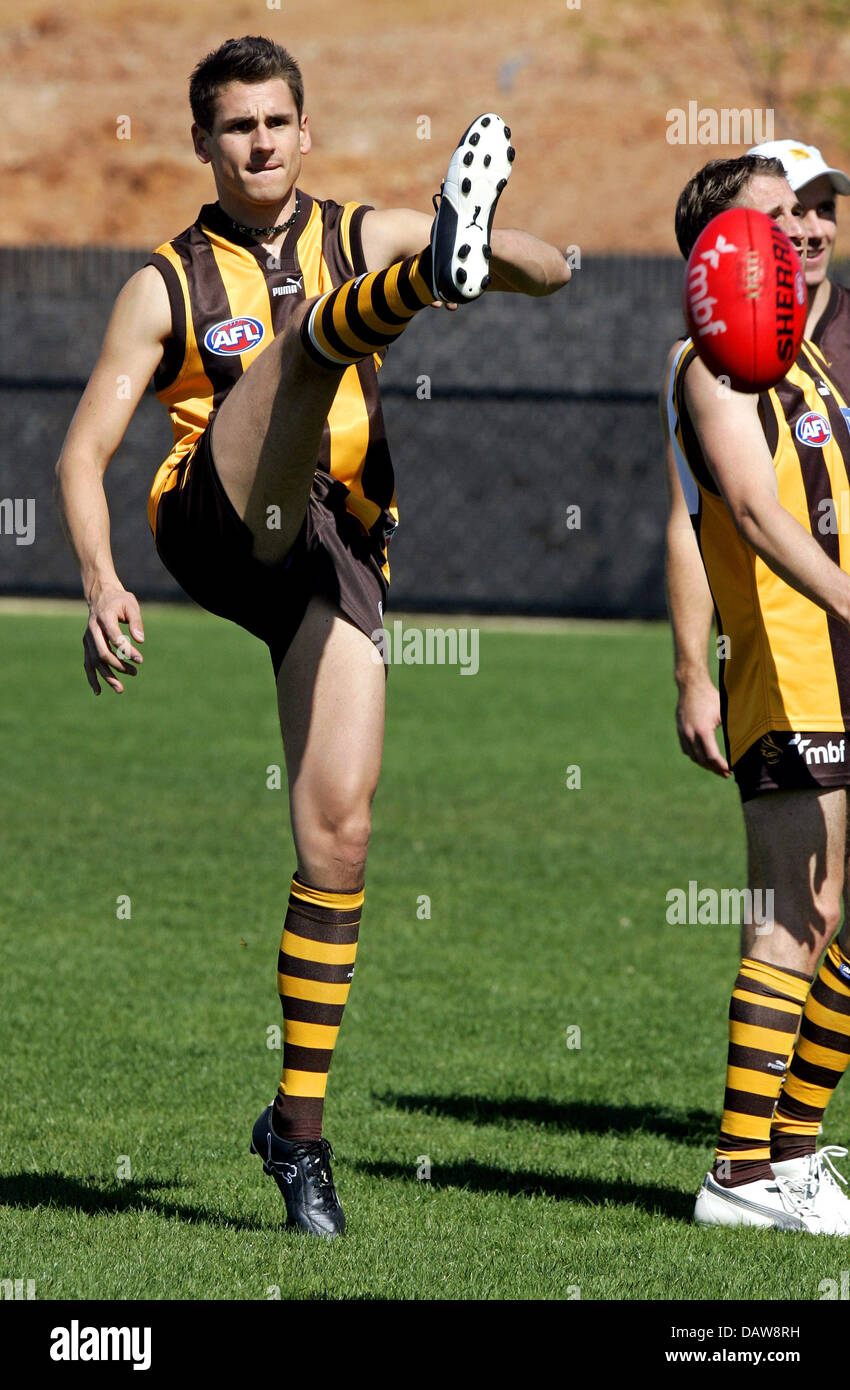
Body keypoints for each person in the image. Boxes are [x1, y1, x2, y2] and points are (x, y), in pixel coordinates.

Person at [54, 35, 570, 1239]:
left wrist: (491, 252)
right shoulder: (163, 283)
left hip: (330, 546)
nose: (261, 142)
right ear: (202, 143)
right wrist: (96, 578)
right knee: (302, 353)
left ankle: (296, 1137)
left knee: (337, 836)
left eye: (277, 121)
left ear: (304, 128)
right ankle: (400, 297)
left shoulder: (360, 225)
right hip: (214, 516)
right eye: (236, 126)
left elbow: (554, 271)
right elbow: (82, 451)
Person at [661, 153, 850, 1233]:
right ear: (722, 250)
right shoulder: (713, 364)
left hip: (835, 664)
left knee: (830, 920)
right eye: (772, 221)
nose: (797, 234)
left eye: (802, 217)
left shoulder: (800, 363)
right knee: (792, 914)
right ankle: (741, 1170)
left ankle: (788, 1150)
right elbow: (745, 508)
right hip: (788, 664)